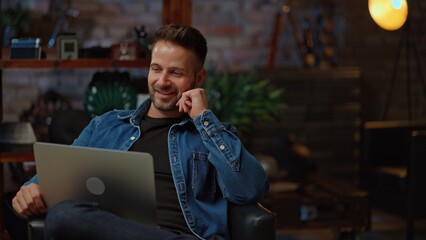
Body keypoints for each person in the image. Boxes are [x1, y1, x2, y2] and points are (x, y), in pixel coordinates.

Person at [11, 24, 269, 240]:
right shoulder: (107, 125)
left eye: (176, 72)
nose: (162, 81)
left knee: (65, 216)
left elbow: (249, 189)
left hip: (183, 235)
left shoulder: (210, 134)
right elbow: (59, 174)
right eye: (156, 69)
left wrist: (204, 119)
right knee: (65, 215)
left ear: (198, 78)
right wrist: (30, 190)